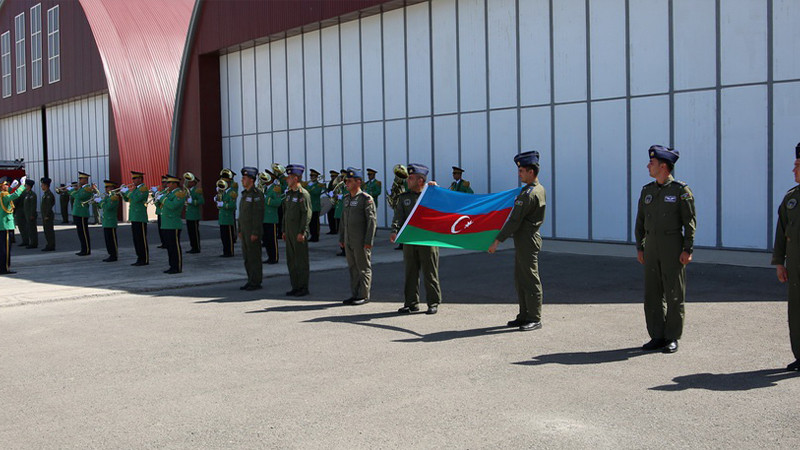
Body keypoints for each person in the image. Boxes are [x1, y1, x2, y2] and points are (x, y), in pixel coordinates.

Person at [635, 145, 696, 354]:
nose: (648, 166)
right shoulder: (647, 191)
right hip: (651, 247)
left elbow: (690, 222)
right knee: (652, 293)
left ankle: (672, 337)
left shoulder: (680, 191)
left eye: (651, 163)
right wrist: (640, 247)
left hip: (672, 246)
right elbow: (640, 221)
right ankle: (657, 335)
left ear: (663, 166)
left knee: (674, 293)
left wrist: (688, 248)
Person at [488, 151, 547, 331]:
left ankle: (534, 317)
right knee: (521, 279)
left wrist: (497, 240)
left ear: (531, 171)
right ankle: (524, 315)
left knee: (530, 279)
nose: (519, 173)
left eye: (521, 170)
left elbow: (515, 221)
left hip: (527, 241)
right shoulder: (532, 189)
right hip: (524, 241)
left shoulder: (530, 194)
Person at [390, 163, 442, 315]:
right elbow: (398, 216)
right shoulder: (404, 197)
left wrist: (436, 189)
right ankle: (411, 303)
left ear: (420, 180)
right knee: (410, 272)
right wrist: (394, 230)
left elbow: (443, 206)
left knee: (430, 272)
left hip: (428, 240)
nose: (408, 180)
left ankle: (433, 302)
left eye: (411, 178)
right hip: (410, 240)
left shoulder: (430, 195)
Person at [772, 142, 800, 372]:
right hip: (795, 266)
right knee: (796, 311)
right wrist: (780, 263)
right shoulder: (791, 198)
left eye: (797, 166)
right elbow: (781, 233)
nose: (793, 170)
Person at [339, 168, 377, 305]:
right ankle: (355, 294)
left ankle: (363, 295)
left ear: (358, 182)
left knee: (363, 268)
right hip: (349, 239)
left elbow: (371, 221)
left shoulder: (366, 199)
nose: (346, 183)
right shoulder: (346, 198)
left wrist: (368, 241)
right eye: (346, 181)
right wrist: (341, 238)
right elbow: (344, 220)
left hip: (361, 240)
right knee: (352, 267)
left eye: (349, 181)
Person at [283, 164, 311, 296]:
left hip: (298, 232)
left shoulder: (303, 194)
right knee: (291, 261)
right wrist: (283, 230)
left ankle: (303, 287)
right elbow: (286, 214)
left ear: (295, 178)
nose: (286, 180)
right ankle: (295, 286)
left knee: (301, 261)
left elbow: (306, 214)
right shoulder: (288, 194)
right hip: (289, 232)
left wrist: (303, 231)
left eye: (289, 177)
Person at [238, 167, 265, 290]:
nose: (242, 180)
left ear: (251, 180)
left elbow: (257, 215)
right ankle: (250, 279)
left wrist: (255, 232)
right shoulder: (245, 194)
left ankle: (256, 281)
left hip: (252, 231)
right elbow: (242, 215)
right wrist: (239, 230)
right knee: (247, 258)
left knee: (254, 257)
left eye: (244, 178)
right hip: (245, 231)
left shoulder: (256, 194)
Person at [121, 171, 150, 266]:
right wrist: (123, 193)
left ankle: (144, 259)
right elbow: (128, 199)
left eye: (134, 178)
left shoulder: (143, 189)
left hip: (140, 217)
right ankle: (139, 258)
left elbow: (136, 198)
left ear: (140, 179)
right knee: (136, 239)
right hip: (134, 216)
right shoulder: (135, 189)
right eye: (133, 179)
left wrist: (128, 192)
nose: (133, 181)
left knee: (141, 239)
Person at [1, 176, 27, 274]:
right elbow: (15, 195)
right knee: (6, 249)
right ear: (2, 186)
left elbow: (9, 193)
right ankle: (5, 268)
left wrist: (12, 187)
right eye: (6, 185)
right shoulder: (3, 195)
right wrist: (22, 185)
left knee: (3, 247)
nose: (7, 186)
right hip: (5, 225)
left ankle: (2, 267)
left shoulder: (2, 194)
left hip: (3, 225)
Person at [160, 175, 186, 274]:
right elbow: (163, 206)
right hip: (166, 223)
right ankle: (172, 266)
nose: (167, 185)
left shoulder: (179, 194)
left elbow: (173, 206)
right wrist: (157, 198)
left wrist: (163, 199)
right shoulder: (168, 194)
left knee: (174, 247)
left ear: (175, 184)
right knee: (170, 247)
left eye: (169, 183)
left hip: (173, 223)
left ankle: (177, 267)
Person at [70, 172, 94, 256]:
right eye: (79, 179)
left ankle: (86, 249)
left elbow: (79, 196)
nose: (79, 180)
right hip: (77, 212)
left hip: (82, 213)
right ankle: (83, 249)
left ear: (85, 180)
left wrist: (72, 190)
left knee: (84, 232)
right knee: (80, 232)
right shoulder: (81, 188)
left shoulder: (87, 189)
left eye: (81, 179)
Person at [98, 180, 121, 262]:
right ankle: (110, 254)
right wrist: (98, 201)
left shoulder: (113, 197)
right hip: (106, 221)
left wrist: (100, 201)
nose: (106, 189)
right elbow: (101, 206)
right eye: (106, 187)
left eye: (108, 187)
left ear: (112, 188)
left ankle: (114, 255)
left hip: (111, 221)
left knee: (112, 240)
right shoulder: (107, 197)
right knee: (108, 240)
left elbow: (107, 207)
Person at [261, 172, 281, 264]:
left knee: (272, 239)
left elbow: (278, 202)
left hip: (271, 217)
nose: (264, 181)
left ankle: (274, 257)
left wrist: (266, 199)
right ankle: (269, 257)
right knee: (266, 239)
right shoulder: (264, 188)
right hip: (264, 217)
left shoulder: (275, 189)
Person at [217, 173, 237, 257]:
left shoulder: (231, 193)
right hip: (222, 217)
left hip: (228, 217)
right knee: (223, 236)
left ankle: (230, 251)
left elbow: (232, 205)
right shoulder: (223, 192)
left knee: (228, 237)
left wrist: (223, 205)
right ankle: (225, 251)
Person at [184, 173, 204, 253]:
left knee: (195, 233)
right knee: (191, 233)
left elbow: (201, 201)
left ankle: (197, 247)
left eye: (189, 181)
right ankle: (193, 247)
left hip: (194, 215)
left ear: (193, 182)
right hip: (189, 214)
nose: (187, 182)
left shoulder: (197, 190)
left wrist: (193, 201)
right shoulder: (187, 191)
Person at [305, 169, 325, 242]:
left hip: (315, 206)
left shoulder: (319, 185)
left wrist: (307, 188)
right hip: (309, 206)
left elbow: (316, 192)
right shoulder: (309, 184)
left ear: (316, 177)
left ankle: (315, 236)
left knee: (315, 223)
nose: (311, 177)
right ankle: (312, 235)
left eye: (313, 176)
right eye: (311, 175)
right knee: (310, 223)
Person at [334, 169, 347, 256]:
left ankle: (346, 250)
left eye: (343, 177)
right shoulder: (340, 187)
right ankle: (343, 249)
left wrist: (341, 196)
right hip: (340, 211)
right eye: (341, 177)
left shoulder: (348, 187)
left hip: (345, 211)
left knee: (346, 232)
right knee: (341, 232)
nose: (341, 178)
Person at [40, 177, 56, 251]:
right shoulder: (45, 194)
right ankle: (49, 244)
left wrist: (46, 215)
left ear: (46, 185)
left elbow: (49, 206)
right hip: (45, 215)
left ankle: (51, 245)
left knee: (49, 231)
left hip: (48, 216)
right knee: (46, 231)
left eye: (42, 185)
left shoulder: (49, 195)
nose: (41, 186)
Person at [153, 175, 168, 249]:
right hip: (159, 212)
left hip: (165, 213)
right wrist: (155, 195)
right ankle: (163, 243)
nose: (163, 184)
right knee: (160, 229)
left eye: (165, 182)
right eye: (162, 182)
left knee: (165, 230)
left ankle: (167, 243)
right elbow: (156, 204)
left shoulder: (168, 192)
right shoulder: (161, 192)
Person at [23, 179, 38, 249]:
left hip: (30, 215)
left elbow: (33, 206)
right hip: (27, 214)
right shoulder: (27, 194)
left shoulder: (32, 195)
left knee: (32, 229)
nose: (25, 186)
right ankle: (31, 242)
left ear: (29, 186)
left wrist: (32, 214)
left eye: (26, 185)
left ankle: (34, 243)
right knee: (29, 229)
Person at [13, 182, 27, 247]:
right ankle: (26, 240)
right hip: (24, 211)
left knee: (22, 227)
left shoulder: (19, 193)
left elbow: (15, 202)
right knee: (24, 227)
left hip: (20, 211)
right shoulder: (25, 192)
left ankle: (25, 240)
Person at [326, 169, 339, 234]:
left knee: (336, 217)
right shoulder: (331, 182)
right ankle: (332, 229)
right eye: (331, 176)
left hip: (337, 203)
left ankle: (337, 229)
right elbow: (329, 190)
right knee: (330, 216)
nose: (332, 178)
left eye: (334, 176)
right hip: (331, 202)